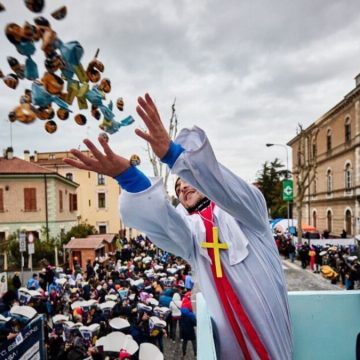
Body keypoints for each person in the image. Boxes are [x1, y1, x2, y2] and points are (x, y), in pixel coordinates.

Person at [64, 93, 293, 359]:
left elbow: (227, 188)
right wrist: (128, 177)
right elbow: (164, 223)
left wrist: (174, 155)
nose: (183, 186)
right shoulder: (192, 232)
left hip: (274, 341)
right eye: (178, 187)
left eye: (186, 179)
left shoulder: (248, 213)